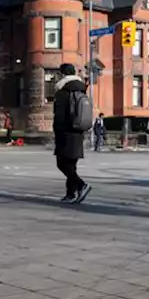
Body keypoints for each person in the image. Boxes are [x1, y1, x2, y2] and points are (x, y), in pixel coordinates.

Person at [53, 63, 92, 204]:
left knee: (62, 163)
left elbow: (60, 116)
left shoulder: (62, 91)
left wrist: (57, 130)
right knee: (71, 164)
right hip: (78, 131)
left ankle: (81, 185)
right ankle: (70, 194)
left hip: (65, 132)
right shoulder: (81, 89)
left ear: (62, 74)